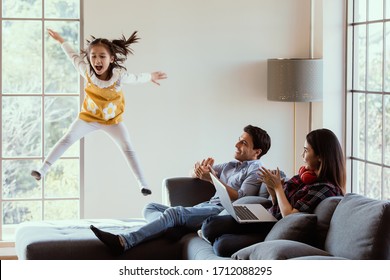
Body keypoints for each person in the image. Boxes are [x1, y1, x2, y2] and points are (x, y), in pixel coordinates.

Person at [89, 125, 271, 255]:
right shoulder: (231, 165)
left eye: (244, 143)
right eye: (238, 140)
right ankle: (173, 230)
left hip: (221, 212)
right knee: (150, 207)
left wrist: (213, 179)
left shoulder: (256, 170)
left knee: (174, 214)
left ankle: (124, 241)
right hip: (207, 206)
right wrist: (199, 170)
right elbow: (193, 173)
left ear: (257, 151)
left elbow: (240, 199)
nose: (237, 145)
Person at [31, 29, 167, 196]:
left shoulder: (118, 77)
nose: (97, 60)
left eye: (102, 56)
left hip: (112, 121)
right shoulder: (86, 72)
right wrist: (61, 41)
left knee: (127, 147)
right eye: (93, 56)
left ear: (112, 59)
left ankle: (143, 184)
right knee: (67, 139)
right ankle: (42, 170)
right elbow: (73, 56)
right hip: (88, 118)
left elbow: (136, 78)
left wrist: (150, 76)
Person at [198, 128, 346, 256]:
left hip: (272, 229)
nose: (302, 155)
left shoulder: (324, 188)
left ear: (320, 156)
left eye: (306, 150)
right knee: (210, 225)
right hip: (267, 217)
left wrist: (278, 188)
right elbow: (278, 204)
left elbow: (289, 216)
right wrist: (272, 189)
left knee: (221, 246)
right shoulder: (305, 177)